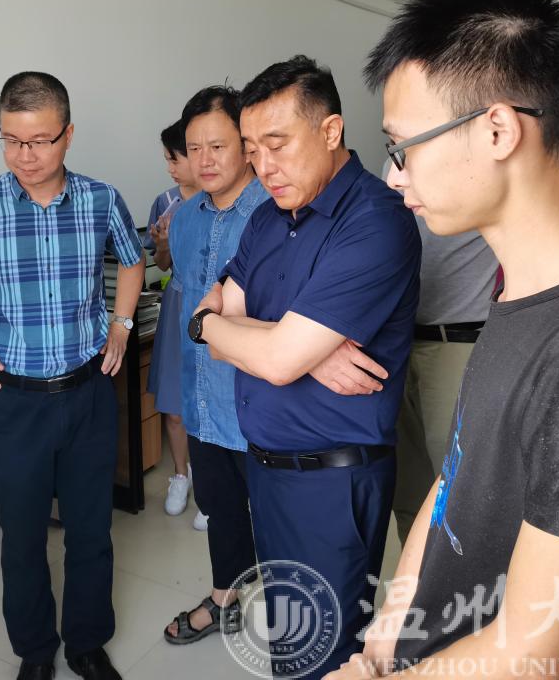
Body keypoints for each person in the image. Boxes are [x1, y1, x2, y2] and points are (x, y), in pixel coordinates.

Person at [326, 0, 559, 680]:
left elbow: (526, 654)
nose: (396, 176)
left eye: (403, 146)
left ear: (496, 130)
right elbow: (454, 477)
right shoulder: (525, 293)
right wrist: (387, 636)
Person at [0, 71, 144, 680]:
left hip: (88, 392)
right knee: (21, 536)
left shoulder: (100, 199)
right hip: (14, 403)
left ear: (68, 135)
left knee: (91, 529)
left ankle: (87, 643)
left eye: (39, 140)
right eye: (10, 140)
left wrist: (121, 324)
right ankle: (35, 652)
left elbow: (132, 259)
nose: (24, 155)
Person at [192, 55, 421, 677]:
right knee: (290, 640)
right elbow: (221, 320)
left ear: (330, 130)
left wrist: (256, 342)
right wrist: (278, 345)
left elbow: (247, 342)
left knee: (325, 654)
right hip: (265, 470)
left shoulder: (375, 220)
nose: (263, 166)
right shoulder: (268, 217)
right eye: (251, 150)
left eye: (277, 145)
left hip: (331, 483)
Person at [162, 85, 266, 645]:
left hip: (260, 401)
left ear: (246, 146)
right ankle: (225, 599)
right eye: (194, 148)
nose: (204, 160)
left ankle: (302, 617)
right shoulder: (185, 219)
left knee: (279, 519)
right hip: (204, 399)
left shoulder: (274, 210)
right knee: (221, 510)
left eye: (218, 146)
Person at [392, 176, 498, 544]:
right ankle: (417, 577)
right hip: (397, 341)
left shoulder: (477, 159)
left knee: (459, 490)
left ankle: (465, 581)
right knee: (408, 490)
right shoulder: (397, 165)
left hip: (460, 342)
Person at [142, 119, 199, 517]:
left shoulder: (219, 200)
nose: (170, 168)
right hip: (177, 302)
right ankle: (181, 474)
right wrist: (163, 245)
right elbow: (162, 265)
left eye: (175, 159)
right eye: (168, 160)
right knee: (174, 403)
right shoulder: (165, 202)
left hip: (213, 304)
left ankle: (211, 484)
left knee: (209, 401)